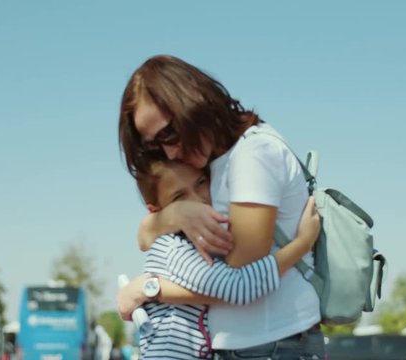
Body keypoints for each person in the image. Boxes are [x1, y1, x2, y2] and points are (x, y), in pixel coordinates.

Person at [118, 55, 324, 359]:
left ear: (194, 102)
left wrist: (149, 289)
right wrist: (173, 214)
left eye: (170, 133)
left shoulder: (253, 154)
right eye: (154, 146)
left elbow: (238, 277)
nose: (170, 151)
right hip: (245, 347)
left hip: (275, 344)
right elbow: (145, 236)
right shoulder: (211, 166)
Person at [119, 159, 320, 359]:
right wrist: (302, 244)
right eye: (180, 197)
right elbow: (238, 286)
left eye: (201, 182)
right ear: (157, 211)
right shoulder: (174, 248)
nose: (199, 200)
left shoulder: (192, 242)